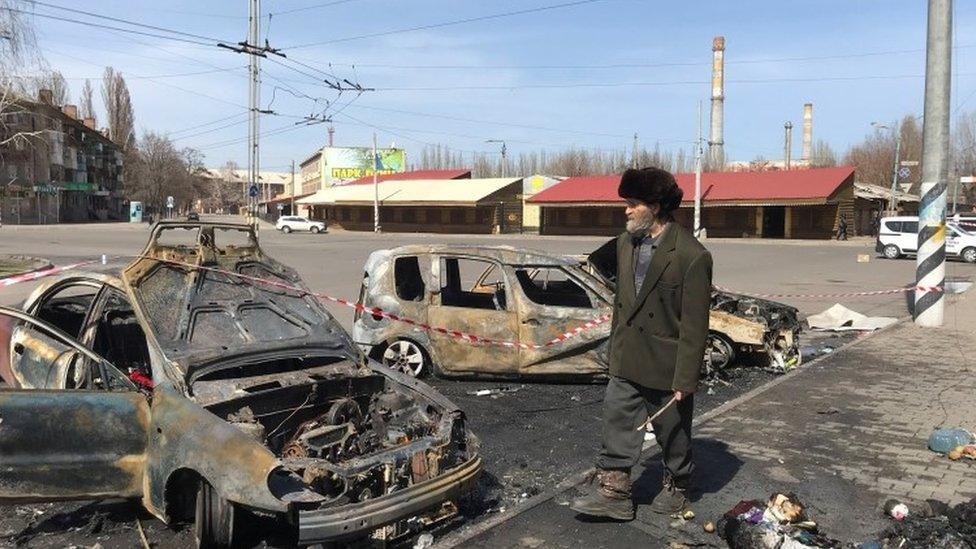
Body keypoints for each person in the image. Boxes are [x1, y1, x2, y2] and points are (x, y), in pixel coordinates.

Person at [570, 167, 712, 521]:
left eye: (633, 204)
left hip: (667, 364)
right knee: (616, 421)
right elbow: (623, 303)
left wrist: (686, 379)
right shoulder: (624, 243)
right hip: (627, 356)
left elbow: (696, 325)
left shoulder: (691, 256)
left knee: (673, 433)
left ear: (656, 206)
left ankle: (678, 482)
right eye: (627, 203)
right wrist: (613, 351)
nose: (627, 210)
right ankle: (614, 491)